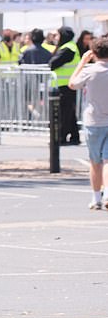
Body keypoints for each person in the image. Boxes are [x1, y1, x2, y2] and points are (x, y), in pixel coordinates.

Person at [68, 36, 108, 210]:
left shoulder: (90, 71)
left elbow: (72, 84)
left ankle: (96, 197)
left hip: (93, 120)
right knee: (107, 160)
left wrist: (82, 62)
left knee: (95, 161)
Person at [50, 26, 81, 145]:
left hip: (65, 85)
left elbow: (52, 63)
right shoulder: (69, 47)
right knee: (70, 113)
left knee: (64, 113)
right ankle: (74, 136)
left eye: (57, 35)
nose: (56, 38)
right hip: (68, 84)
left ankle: (61, 137)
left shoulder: (68, 48)